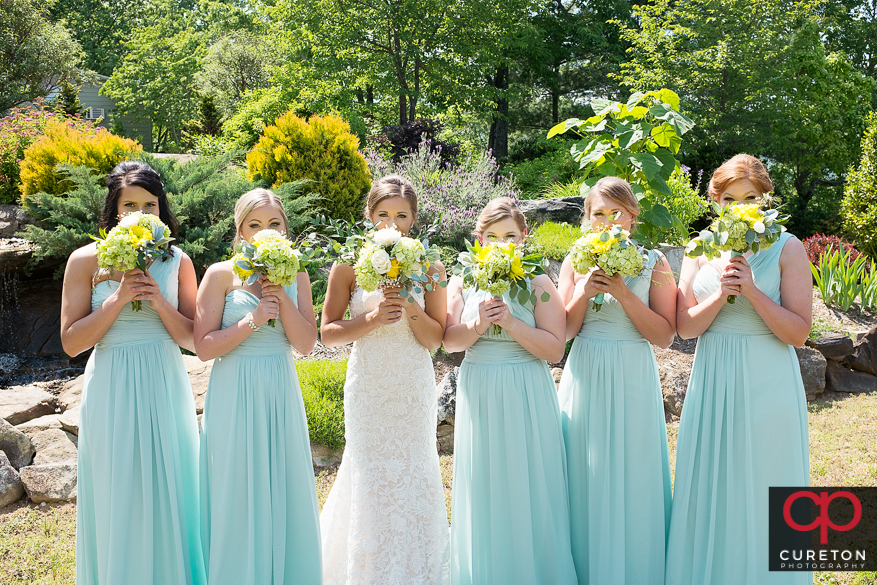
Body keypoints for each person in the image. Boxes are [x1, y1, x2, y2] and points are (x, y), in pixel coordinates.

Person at [665, 154, 812, 585]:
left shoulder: (788, 247)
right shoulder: (697, 249)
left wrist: (750, 291)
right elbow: (685, 328)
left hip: (768, 381)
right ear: (716, 201)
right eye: (729, 199)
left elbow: (799, 333)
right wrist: (721, 296)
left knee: (768, 484)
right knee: (714, 487)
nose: (739, 207)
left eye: (750, 197)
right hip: (713, 379)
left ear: (765, 199)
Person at [62, 160, 205, 585]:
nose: (141, 214)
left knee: (170, 486)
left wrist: (159, 301)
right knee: (117, 487)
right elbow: (72, 343)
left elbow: (194, 341)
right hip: (111, 383)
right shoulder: (85, 260)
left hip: (164, 379)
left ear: (161, 209)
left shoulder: (178, 260)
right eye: (131, 205)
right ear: (115, 209)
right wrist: (118, 298)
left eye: (150, 205)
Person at [319, 174, 450, 585]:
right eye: (383, 214)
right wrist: (373, 318)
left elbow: (435, 340)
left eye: (401, 215)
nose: (392, 223)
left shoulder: (431, 267)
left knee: (414, 470)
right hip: (369, 386)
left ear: (413, 220)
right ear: (369, 216)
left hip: (411, 385)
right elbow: (328, 331)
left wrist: (410, 304)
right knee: (369, 472)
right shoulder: (349, 265)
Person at [443, 197, 578, 585]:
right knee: (485, 486)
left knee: (529, 483)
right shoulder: (462, 281)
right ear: (480, 240)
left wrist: (514, 325)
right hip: (480, 388)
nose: (502, 244)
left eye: (510, 236)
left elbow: (555, 350)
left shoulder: (538, 282)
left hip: (526, 389)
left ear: (523, 238)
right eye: (493, 236)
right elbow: (450, 343)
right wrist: (479, 324)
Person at [195, 188, 322, 585]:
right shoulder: (220, 274)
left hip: (279, 388)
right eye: (255, 224)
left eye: (274, 223)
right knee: (236, 486)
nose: (265, 230)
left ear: (285, 229)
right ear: (240, 231)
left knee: (284, 484)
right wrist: (251, 321)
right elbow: (203, 347)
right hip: (234, 389)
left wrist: (281, 297)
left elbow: (305, 344)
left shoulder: (297, 273)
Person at [556, 176, 676, 585]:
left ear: (632, 216)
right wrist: (583, 293)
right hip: (586, 368)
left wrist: (625, 294)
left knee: (633, 468)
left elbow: (665, 335)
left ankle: (637, 569)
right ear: (587, 220)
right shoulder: (575, 260)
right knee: (583, 469)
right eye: (598, 214)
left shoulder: (654, 261)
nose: (607, 222)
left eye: (616, 213)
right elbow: (565, 332)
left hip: (632, 373)